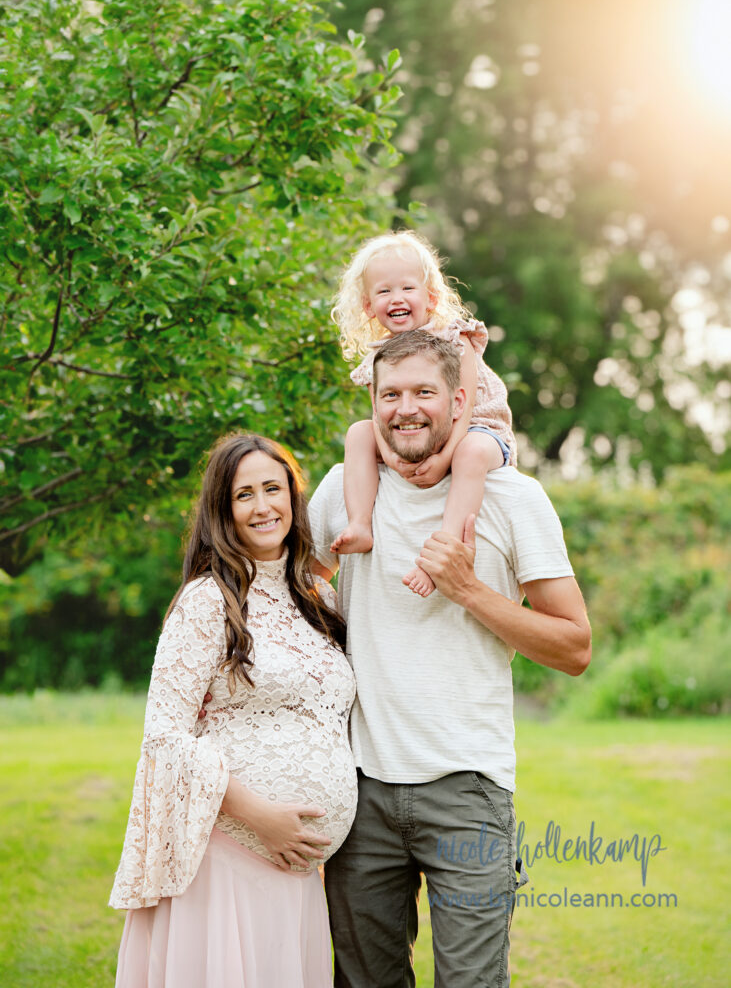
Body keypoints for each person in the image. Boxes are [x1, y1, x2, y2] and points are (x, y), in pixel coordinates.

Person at [309, 330, 591, 988]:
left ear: (459, 400)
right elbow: (288, 592)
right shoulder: (343, 494)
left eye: (423, 393)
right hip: (359, 791)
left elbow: (574, 647)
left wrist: (468, 590)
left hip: (469, 792)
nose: (405, 409)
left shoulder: (512, 499)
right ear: (372, 402)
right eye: (390, 394)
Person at [109, 433, 357, 988]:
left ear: (294, 498)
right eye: (244, 495)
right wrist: (259, 817)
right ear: (223, 510)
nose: (263, 506)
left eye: (274, 488)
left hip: (298, 874)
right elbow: (163, 737)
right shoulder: (207, 601)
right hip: (228, 857)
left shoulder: (322, 603)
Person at [330, 229, 516, 598]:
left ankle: (445, 550)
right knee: (358, 433)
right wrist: (395, 461)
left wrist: (444, 457)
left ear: (430, 298)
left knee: (472, 452)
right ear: (369, 306)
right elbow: (381, 420)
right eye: (384, 291)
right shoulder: (378, 357)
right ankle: (361, 524)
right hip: (420, 434)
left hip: (478, 426)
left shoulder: (455, 336)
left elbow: (463, 407)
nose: (396, 298)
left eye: (407, 289)